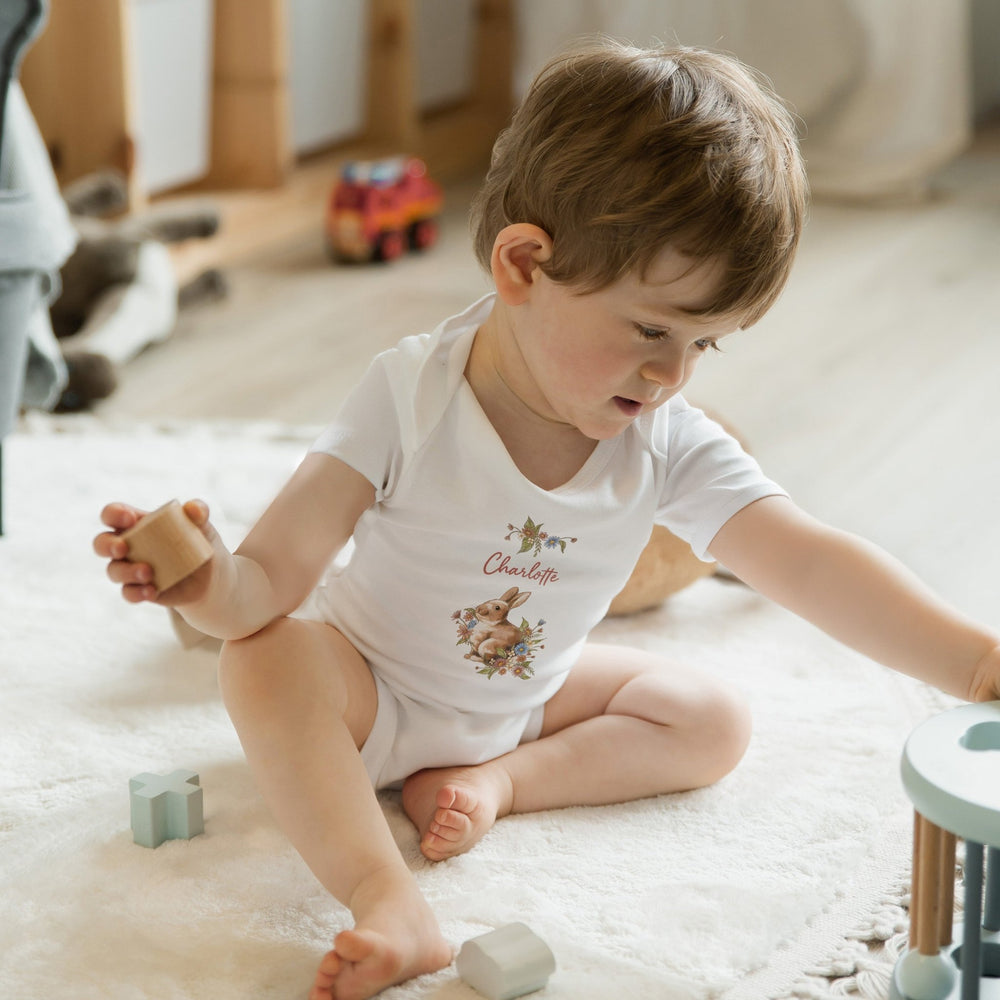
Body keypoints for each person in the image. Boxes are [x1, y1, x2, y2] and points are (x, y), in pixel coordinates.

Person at [94, 40, 1000, 1000]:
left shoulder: (667, 439)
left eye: (705, 344)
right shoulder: (410, 395)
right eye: (652, 329)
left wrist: (979, 664)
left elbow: (810, 563)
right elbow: (267, 584)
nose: (671, 376)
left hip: (528, 700)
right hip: (375, 693)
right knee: (263, 660)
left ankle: (503, 784)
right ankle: (385, 895)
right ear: (525, 263)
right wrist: (208, 591)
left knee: (712, 719)